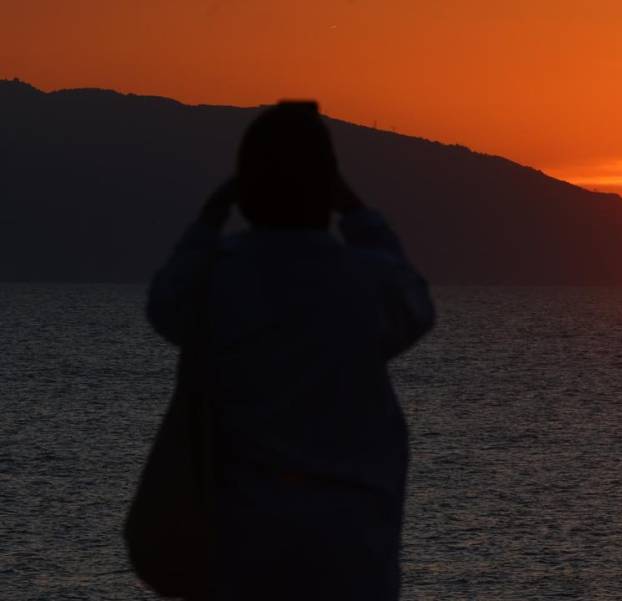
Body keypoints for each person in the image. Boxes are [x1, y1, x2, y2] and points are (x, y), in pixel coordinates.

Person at [145, 101, 435, 599]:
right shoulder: (365, 283)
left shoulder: (215, 282)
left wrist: (209, 220)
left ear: (245, 193)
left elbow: (166, 304)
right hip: (352, 558)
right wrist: (357, 212)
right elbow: (415, 304)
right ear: (327, 191)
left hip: (241, 558)